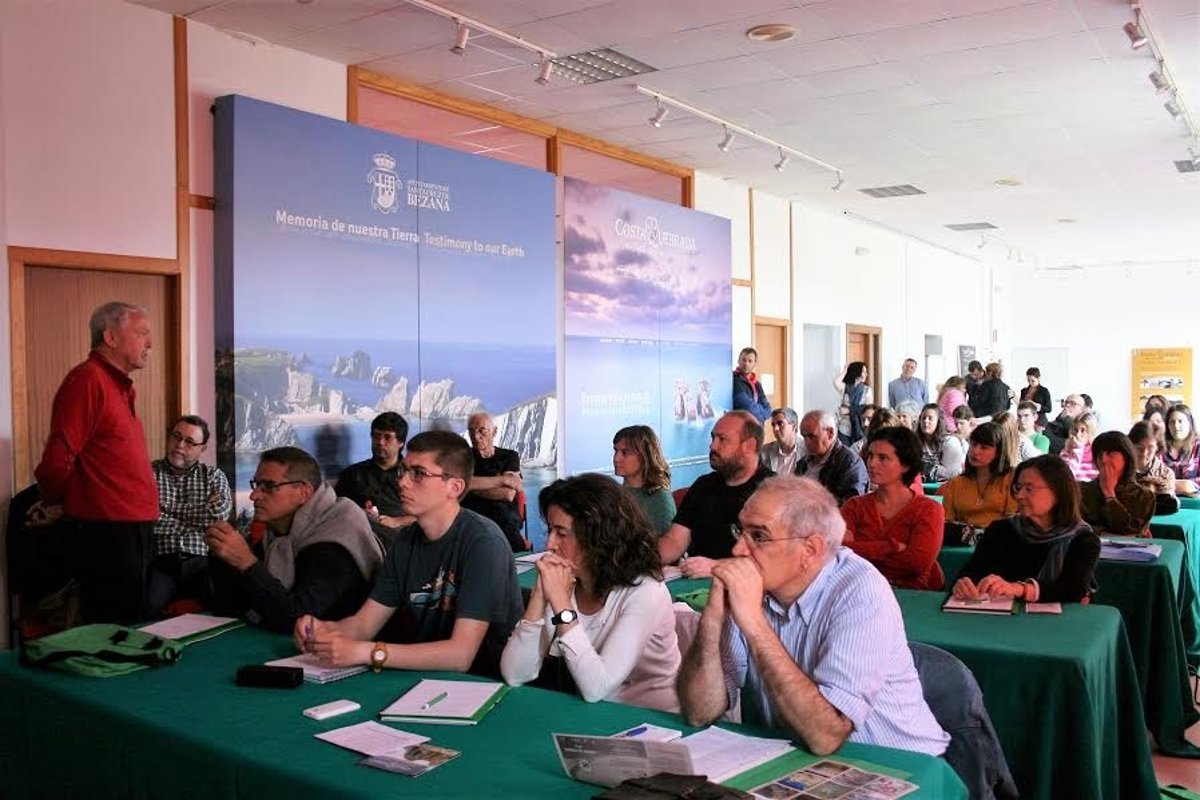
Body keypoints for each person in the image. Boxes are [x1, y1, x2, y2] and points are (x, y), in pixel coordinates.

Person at [676, 475, 949, 758]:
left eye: (758, 536)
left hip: (900, 764)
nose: (737, 551)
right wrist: (712, 619)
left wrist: (755, 625)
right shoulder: (755, 587)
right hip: (802, 762)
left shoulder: (859, 590)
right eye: (740, 532)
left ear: (809, 550)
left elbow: (826, 737)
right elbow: (699, 712)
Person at [295, 431, 523, 678]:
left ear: (454, 487)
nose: (402, 482)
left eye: (419, 474)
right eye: (403, 471)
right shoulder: (406, 541)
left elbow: (461, 656)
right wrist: (324, 630)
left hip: (484, 683)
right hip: (426, 678)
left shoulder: (483, 542)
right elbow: (364, 625)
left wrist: (368, 652)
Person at [500, 474, 680, 712]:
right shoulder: (568, 580)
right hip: (592, 714)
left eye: (561, 533)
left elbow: (597, 687)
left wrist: (562, 606)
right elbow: (515, 673)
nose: (549, 544)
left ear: (599, 536)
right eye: (550, 531)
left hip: (652, 719)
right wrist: (539, 597)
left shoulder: (646, 591)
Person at [33, 301, 159, 624]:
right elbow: (57, 460)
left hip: (129, 529)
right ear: (111, 337)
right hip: (108, 532)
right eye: (142, 333)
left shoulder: (117, 385)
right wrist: (58, 503)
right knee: (113, 631)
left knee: (130, 626)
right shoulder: (87, 381)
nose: (150, 343)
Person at [207, 447, 383, 633]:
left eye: (269, 486)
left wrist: (246, 561)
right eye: (256, 484)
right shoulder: (277, 532)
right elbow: (236, 605)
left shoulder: (336, 540)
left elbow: (297, 620)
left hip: (335, 644)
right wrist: (223, 553)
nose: (254, 495)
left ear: (304, 493)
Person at [952, 455, 1100, 604]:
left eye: (1029, 489)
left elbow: (1073, 590)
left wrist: (1019, 589)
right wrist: (963, 584)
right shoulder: (1000, 530)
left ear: (1058, 492)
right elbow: (971, 573)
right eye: (1018, 487)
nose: (1019, 495)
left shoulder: (1083, 539)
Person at [660, 411, 772, 577]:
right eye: (713, 438)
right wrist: (641, 561)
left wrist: (716, 566)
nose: (713, 446)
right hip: (697, 584)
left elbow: (773, 559)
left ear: (749, 446)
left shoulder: (772, 492)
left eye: (722, 439)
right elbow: (675, 540)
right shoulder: (703, 486)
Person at [147, 415, 233, 615]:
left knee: (220, 607)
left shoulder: (213, 476)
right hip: (161, 559)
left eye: (189, 442)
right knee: (149, 609)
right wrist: (197, 523)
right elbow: (147, 518)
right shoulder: (149, 472)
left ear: (202, 448)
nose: (179, 445)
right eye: (176, 436)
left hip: (202, 560)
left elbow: (218, 515)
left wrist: (167, 507)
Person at [841, 427, 945, 590]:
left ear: (905, 465)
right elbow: (839, 554)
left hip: (913, 594)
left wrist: (860, 550)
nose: (872, 463)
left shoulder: (929, 510)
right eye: (871, 455)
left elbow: (917, 563)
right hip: (862, 590)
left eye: (882, 458)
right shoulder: (854, 506)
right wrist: (891, 547)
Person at [335, 411, 412, 547]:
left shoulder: (414, 476)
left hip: (400, 538)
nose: (380, 443)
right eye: (376, 436)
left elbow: (431, 513)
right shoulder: (352, 474)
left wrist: (398, 521)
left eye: (387, 438)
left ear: (401, 443)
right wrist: (359, 513)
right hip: (360, 536)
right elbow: (337, 508)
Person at [461, 411, 527, 552]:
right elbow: (462, 483)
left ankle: (518, 559)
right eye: (471, 431)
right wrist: (503, 479)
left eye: (482, 431)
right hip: (473, 513)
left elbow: (508, 494)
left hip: (506, 515)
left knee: (502, 515)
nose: (476, 436)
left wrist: (472, 490)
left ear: (494, 432)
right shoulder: (464, 456)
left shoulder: (510, 456)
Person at [938, 422, 1017, 530]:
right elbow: (947, 522)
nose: (975, 451)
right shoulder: (955, 483)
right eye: (973, 444)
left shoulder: (1010, 479)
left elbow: (1013, 520)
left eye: (984, 447)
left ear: (998, 452)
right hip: (963, 537)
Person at [1079, 431, 1156, 537]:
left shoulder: (1144, 496)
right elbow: (1079, 527)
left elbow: (1128, 532)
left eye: (1110, 454)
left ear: (1126, 456)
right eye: (1099, 455)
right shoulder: (1083, 490)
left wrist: (1109, 494)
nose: (1103, 460)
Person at [612, 425, 675, 535]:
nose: (616, 458)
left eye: (625, 452)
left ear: (645, 456)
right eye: (616, 451)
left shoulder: (659, 500)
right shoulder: (612, 494)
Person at [795, 410, 869, 504]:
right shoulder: (803, 464)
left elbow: (850, 505)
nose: (807, 442)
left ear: (830, 433)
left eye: (811, 436)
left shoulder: (850, 464)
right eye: (804, 436)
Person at [1129, 422, 1181, 515]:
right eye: (1140, 448)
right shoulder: (1120, 470)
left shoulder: (1165, 474)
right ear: (1131, 446)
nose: (1144, 453)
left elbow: (1168, 504)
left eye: (1150, 448)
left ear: (1157, 448)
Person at [915, 404, 962, 482]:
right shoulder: (915, 441)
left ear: (939, 421)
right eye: (923, 418)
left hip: (946, 485)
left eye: (930, 418)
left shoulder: (950, 442)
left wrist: (924, 467)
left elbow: (951, 473)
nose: (926, 421)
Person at [1163, 404, 1200, 496]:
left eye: (1180, 421)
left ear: (1190, 423)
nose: (1176, 426)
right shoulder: (1159, 448)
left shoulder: (1198, 447)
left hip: (1194, 500)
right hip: (1165, 500)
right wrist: (1175, 485)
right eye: (1172, 422)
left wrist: (1189, 484)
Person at [732, 347, 771, 423]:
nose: (746, 363)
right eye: (744, 360)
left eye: (750, 361)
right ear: (738, 361)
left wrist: (763, 415)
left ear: (755, 363)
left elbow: (768, 409)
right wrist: (763, 415)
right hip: (741, 426)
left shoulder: (757, 384)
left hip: (757, 427)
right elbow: (747, 407)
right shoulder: (734, 380)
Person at [760, 407, 802, 477]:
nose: (775, 429)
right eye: (773, 425)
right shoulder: (764, 451)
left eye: (780, 423)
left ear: (794, 427)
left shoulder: (808, 451)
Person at [836, 362, 870, 446]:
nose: (866, 374)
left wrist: (849, 410)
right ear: (856, 372)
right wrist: (845, 371)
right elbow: (836, 383)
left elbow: (867, 409)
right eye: (864, 371)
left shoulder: (867, 390)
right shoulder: (845, 387)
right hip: (844, 427)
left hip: (860, 427)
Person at [1061, 412, 1099, 481]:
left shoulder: (1096, 452)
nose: (1078, 434)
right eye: (1075, 429)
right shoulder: (1068, 448)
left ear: (1090, 432)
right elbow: (1066, 475)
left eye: (1083, 431)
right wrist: (1074, 450)